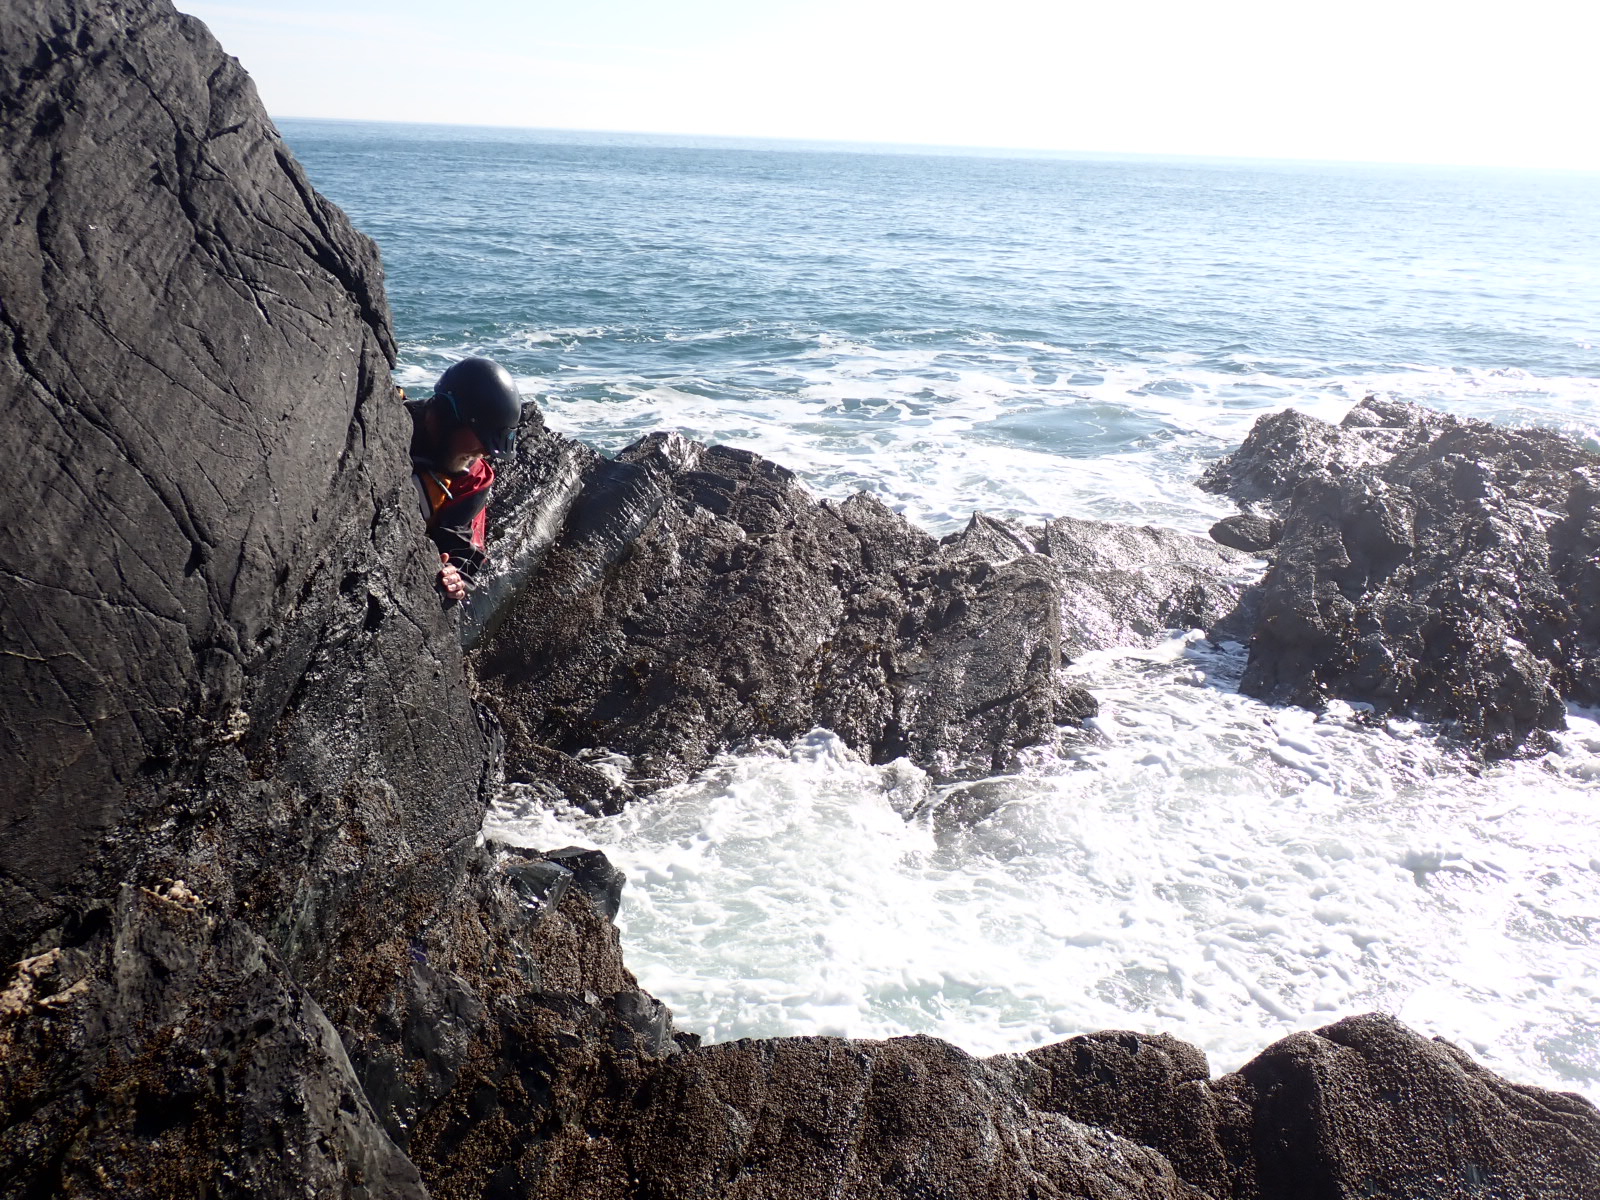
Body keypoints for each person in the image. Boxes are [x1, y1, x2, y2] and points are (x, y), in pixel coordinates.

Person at [406, 357, 522, 603]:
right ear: (448, 417)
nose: (485, 453)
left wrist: (455, 576)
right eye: (482, 438)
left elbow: (463, 549)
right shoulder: (390, 424)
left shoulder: (475, 478)